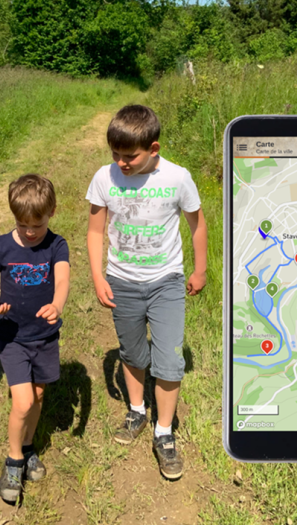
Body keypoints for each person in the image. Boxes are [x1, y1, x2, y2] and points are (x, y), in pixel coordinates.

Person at [85, 104, 207, 481]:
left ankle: (164, 431)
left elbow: (197, 225)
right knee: (133, 352)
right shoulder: (104, 178)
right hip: (122, 281)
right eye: (115, 154)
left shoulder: (178, 178)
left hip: (166, 280)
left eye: (130, 156)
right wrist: (98, 276)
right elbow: (94, 231)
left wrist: (200, 269)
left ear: (153, 148)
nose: (121, 163)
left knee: (169, 359)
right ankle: (137, 410)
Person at [0, 174, 70, 503]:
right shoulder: (0, 246)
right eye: (22, 224)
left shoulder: (56, 245)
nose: (30, 232)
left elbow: (62, 281)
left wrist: (57, 305)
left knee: (39, 395)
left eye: (37, 225)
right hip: (12, 336)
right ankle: (14, 460)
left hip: (45, 336)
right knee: (23, 402)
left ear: (52, 212)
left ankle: (28, 446)